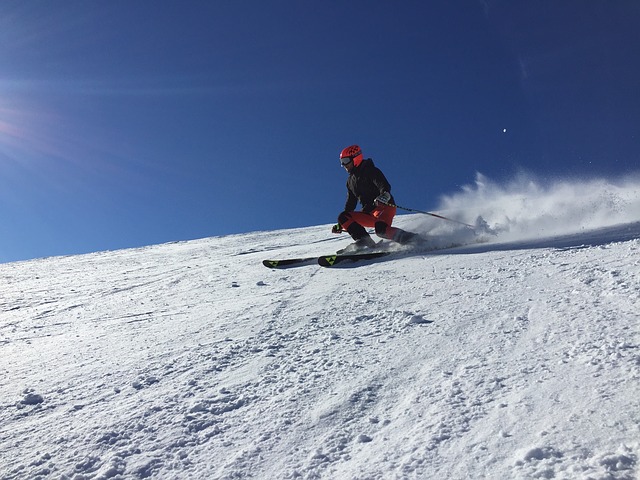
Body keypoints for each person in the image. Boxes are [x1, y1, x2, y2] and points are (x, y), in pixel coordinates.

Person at [333, 144, 418, 249]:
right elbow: (351, 203)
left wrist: (384, 195)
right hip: (369, 213)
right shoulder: (350, 181)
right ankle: (364, 240)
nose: (344, 165)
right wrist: (341, 224)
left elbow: (383, 185)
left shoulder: (370, 170)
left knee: (381, 230)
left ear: (356, 158)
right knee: (343, 216)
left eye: (346, 161)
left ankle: (415, 239)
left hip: (383, 207)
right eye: (342, 162)